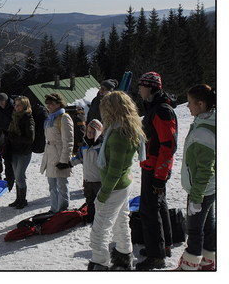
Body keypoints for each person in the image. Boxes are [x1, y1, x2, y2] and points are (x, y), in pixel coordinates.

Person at [87, 91, 146, 271]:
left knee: (100, 230)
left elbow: (115, 169)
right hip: (123, 185)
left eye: (105, 108)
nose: (102, 113)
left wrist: (103, 194)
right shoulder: (122, 127)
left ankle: (100, 263)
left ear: (112, 109)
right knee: (121, 223)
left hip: (114, 187)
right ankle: (123, 256)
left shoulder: (120, 133)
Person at [136, 71, 178, 270]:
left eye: (141, 86)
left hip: (155, 169)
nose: (139, 90)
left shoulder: (162, 111)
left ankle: (156, 256)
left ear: (151, 87)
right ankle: (164, 246)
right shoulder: (154, 108)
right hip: (152, 167)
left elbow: (168, 145)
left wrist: (160, 175)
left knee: (149, 210)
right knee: (158, 206)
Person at [175, 84, 216, 270]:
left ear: (200, 104)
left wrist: (196, 198)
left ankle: (189, 267)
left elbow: (205, 170)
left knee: (194, 229)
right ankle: (208, 262)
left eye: (190, 102)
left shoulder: (203, 133)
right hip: (209, 189)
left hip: (201, 191)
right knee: (208, 226)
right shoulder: (206, 123)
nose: (187, 106)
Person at [40, 93, 74, 213]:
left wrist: (64, 160)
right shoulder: (50, 118)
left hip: (60, 154)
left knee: (61, 185)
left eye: (52, 104)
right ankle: (54, 208)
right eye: (48, 104)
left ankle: (62, 209)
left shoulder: (64, 118)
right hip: (50, 154)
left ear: (59, 104)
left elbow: (68, 140)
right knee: (52, 185)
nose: (49, 106)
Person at [70, 119, 104, 224]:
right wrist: (68, 164)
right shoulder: (84, 146)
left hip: (99, 179)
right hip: (88, 179)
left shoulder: (101, 147)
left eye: (92, 132)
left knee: (100, 200)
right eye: (88, 131)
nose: (89, 134)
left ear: (98, 133)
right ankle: (90, 215)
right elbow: (79, 158)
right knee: (89, 199)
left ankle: (101, 217)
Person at [6, 96, 35, 209]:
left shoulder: (28, 119)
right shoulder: (14, 117)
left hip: (24, 152)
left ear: (24, 106)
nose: (16, 107)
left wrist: (15, 138)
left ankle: (23, 200)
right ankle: (18, 199)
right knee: (17, 176)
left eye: (18, 105)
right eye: (15, 105)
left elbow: (30, 139)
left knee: (19, 176)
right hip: (14, 151)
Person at [0, 93, 15, 187]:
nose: (1, 103)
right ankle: (6, 175)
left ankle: (12, 176)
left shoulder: (13, 107)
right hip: (3, 135)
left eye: (2, 101)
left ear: (6, 100)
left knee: (11, 158)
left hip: (12, 135)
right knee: (3, 156)